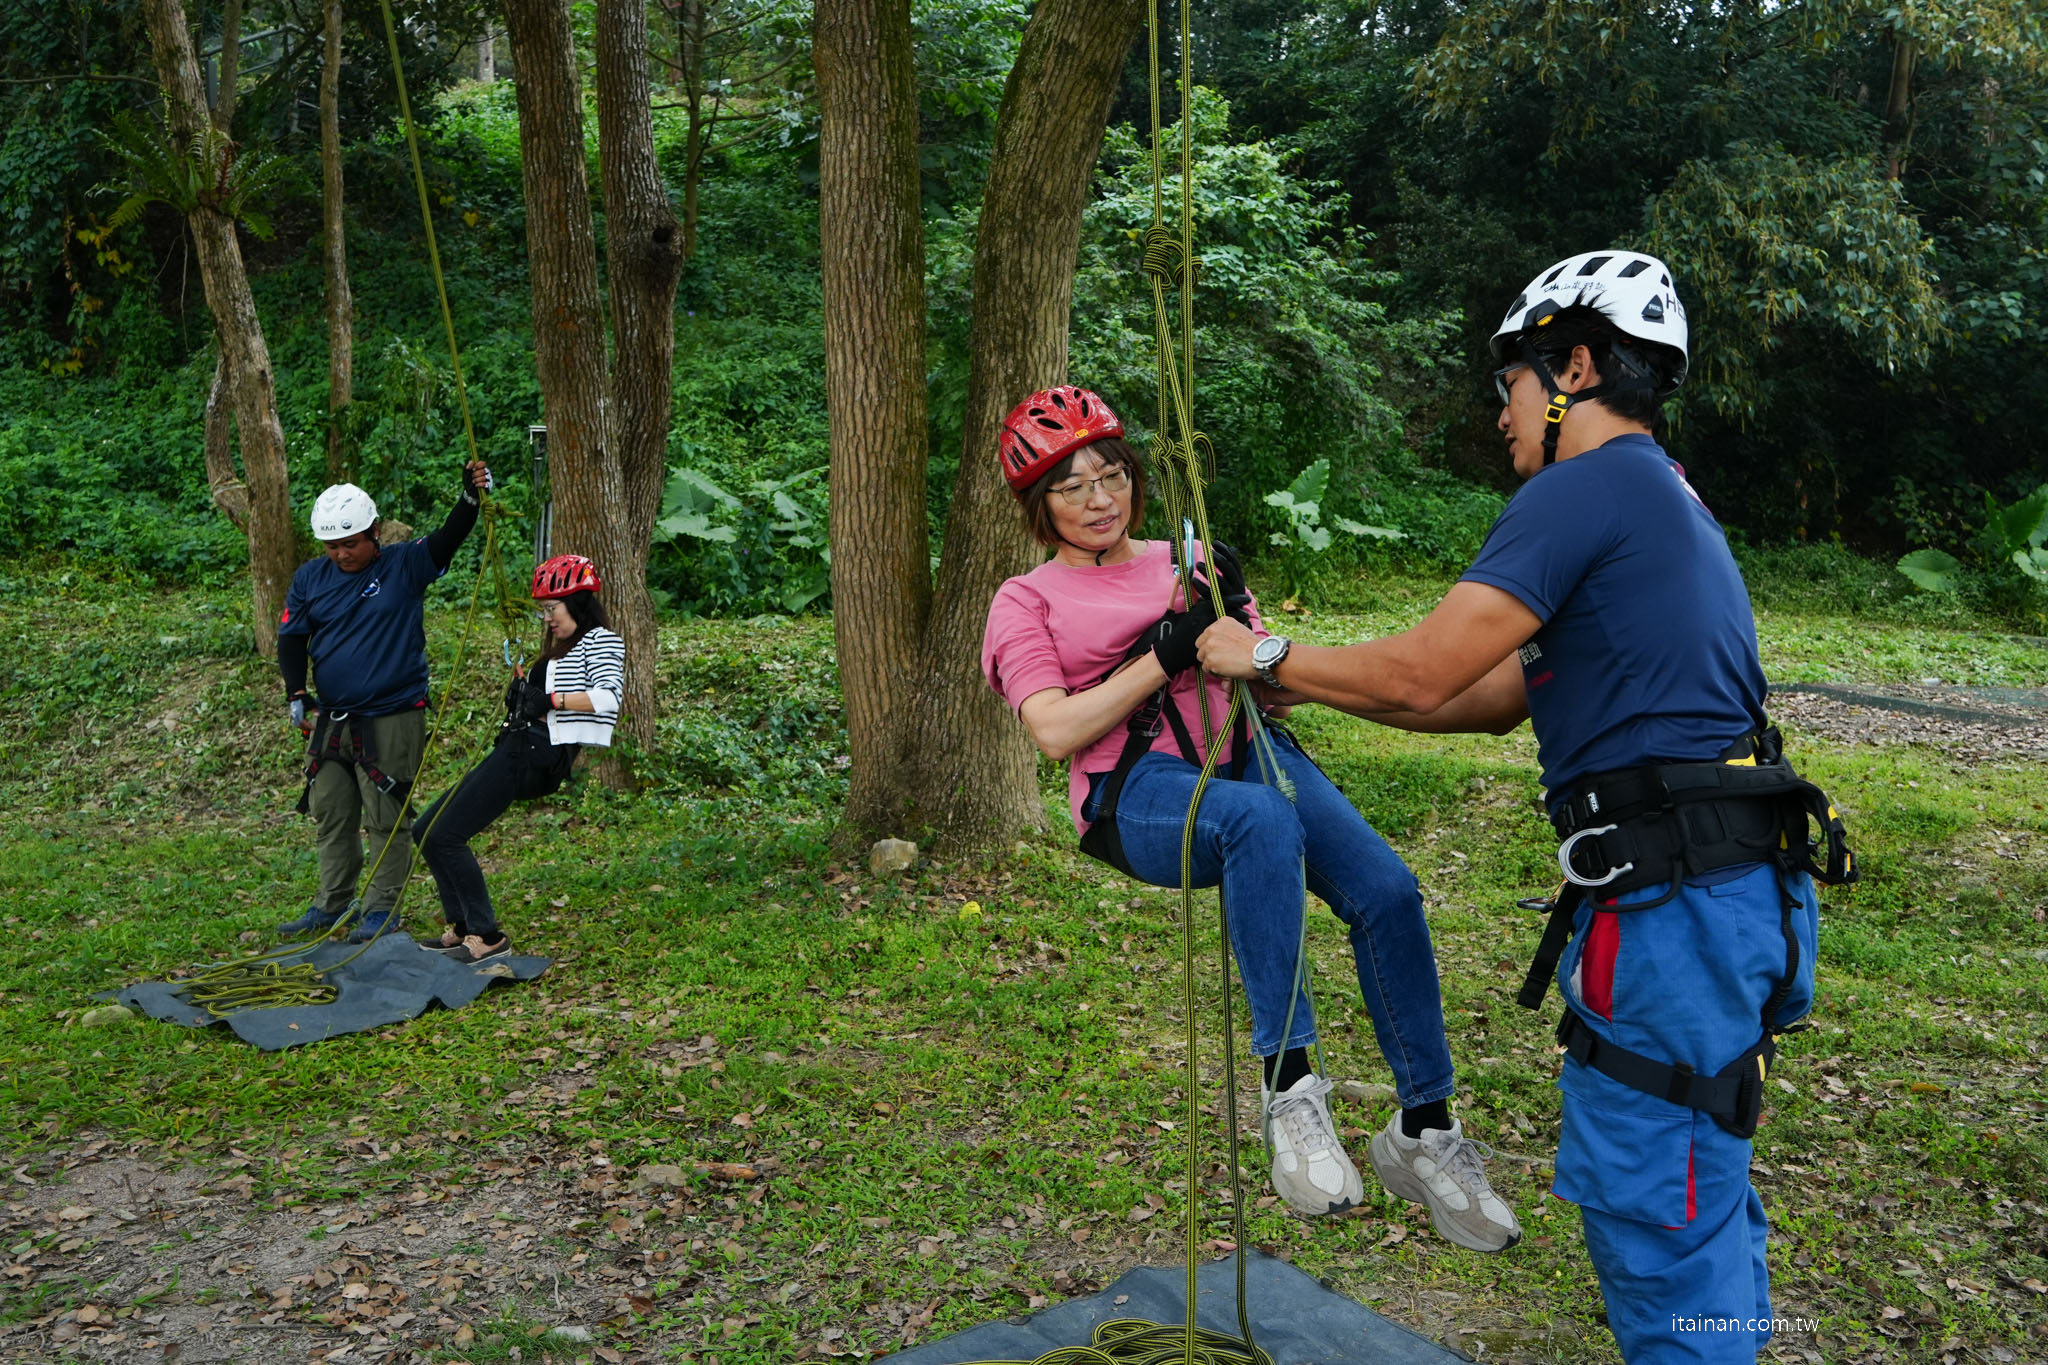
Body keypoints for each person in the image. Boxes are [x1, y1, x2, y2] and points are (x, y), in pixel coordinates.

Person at [1197, 250, 1855, 1364]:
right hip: (1729, 891)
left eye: (1507, 383)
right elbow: (1488, 697)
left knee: (1657, 1205)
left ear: (1575, 370)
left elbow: (1420, 670)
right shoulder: (1663, 495)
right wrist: (1296, 677)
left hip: (1676, 910)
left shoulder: (1581, 488)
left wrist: (1257, 647)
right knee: (1698, 1187)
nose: (1498, 413)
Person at [979, 385, 1521, 1253]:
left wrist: (1241, 625)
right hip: (1139, 788)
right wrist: (1165, 651)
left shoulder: (1193, 560)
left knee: (1388, 891)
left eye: (1111, 474)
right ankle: (1291, 1090)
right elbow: (1054, 729)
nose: (1098, 498)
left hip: (1249, 751)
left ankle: (1426, 1130)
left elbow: (1273, 689)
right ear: (1038, 507)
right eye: (1070, 485)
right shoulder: (1025, 600)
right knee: (1259, 821)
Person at [277, 461, 492, 942]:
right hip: (333, 716)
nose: (341, 554)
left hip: (392, 712)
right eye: (332, 546)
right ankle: (331, 904)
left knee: (386, 816)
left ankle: (381, 910)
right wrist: (297, 693)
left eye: (350, 543)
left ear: (374, 532)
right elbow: (292, 638)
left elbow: (446, 539)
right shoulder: (312, 578)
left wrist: (470, 499)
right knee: (331, 812)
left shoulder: (402, 565)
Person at [408, 554, 623, 963]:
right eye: (544, 611)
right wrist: (526, 691)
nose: (547, 619)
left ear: (576, 603)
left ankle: (487, 935)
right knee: (426, 830)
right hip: (516, 746)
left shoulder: (601, 639)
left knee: (447, 836)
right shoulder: (562, 647)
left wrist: (550, 699)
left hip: (535, 754)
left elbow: (607, 696)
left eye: (551, 609)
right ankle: (461, 926)